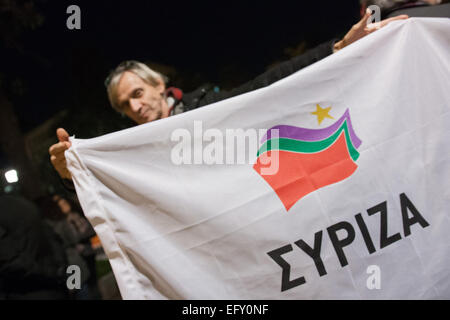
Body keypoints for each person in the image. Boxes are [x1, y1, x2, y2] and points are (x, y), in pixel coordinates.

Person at [48, 10, 408, 182]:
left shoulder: (207, 106)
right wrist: (70, 176)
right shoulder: (132, 150)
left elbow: (266, 85)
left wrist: (339, 47)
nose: (134, 106)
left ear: (160, 85)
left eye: (137, 93)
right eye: (124, 104)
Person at [0, 195, 68, 299]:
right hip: (55, 287)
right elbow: (53, 238)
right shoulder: (22, 201)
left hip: (26, 291)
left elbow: (10, 261)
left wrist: (51, 271)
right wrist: (58, 269)